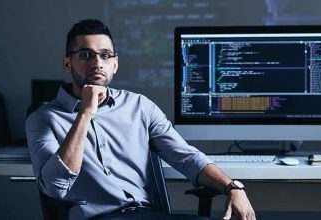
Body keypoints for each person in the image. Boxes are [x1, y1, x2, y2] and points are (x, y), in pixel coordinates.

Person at [25, 19, 256, 220]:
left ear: (115, 64)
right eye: (86, 55)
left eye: (105, 55)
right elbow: (54, 187)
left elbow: (186, 158)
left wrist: (232, 187)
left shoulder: (140, 106)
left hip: (150, 214)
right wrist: (85, 113)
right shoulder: (43, 119)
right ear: (67, 63)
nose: (97, 63)